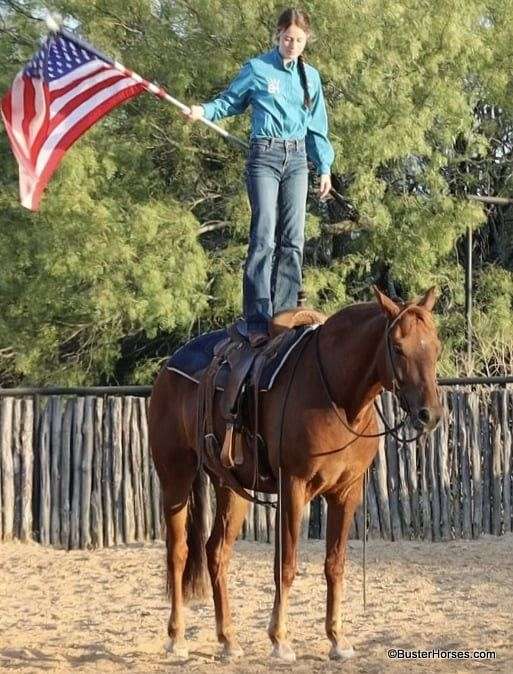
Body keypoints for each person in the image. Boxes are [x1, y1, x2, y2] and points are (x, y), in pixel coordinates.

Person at [185, 7, 334, 347]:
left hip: (296, 159)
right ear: (277, 36)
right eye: (286, 38)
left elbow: (317, 127)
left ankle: (282, 316)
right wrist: (202, 111)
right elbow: (229, 102)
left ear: (306, 40)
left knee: (293, 238)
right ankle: (256, 318)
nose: (292, 45)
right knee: (264, 235)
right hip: (264, 156)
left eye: (298, 40)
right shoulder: (257, 68)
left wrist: (324, 166)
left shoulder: (310, 77)